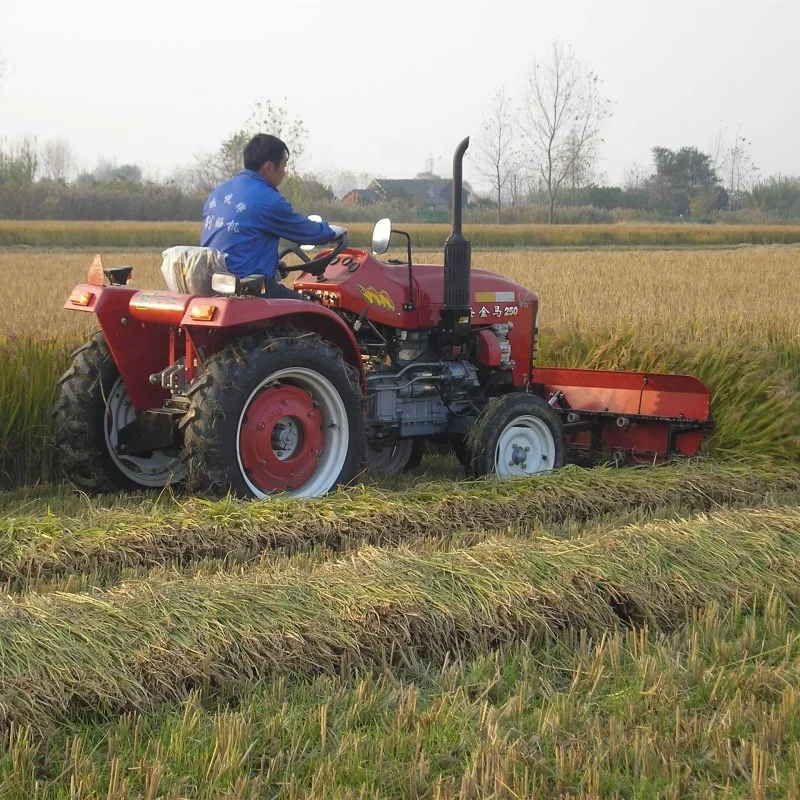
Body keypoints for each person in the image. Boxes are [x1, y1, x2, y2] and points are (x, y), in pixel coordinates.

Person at [200, 133, 345, 299]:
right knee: (314, 310)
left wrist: (272, 264)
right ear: (268, 167)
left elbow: (239, 242)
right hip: (248, 290)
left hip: (214, 286)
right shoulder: (267, 199)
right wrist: (331, 232)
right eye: (283, 166)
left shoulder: (218, 193)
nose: (284, 172)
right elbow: (306, 231)